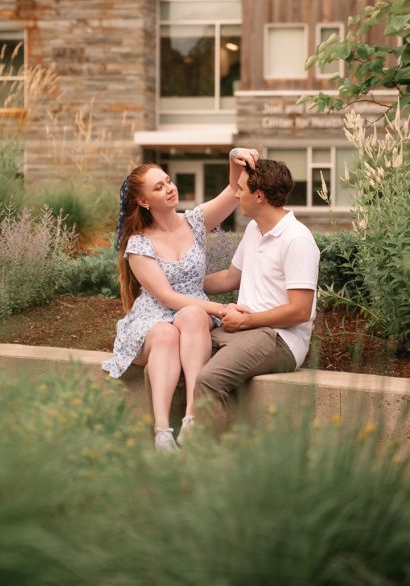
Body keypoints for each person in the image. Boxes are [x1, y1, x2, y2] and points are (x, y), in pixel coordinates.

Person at [102, 148, 259, 451]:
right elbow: (166, 296)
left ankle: (192, 418)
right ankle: (162, 432)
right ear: (143, 201)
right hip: (153, 317)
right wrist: (221, 307)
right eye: (158, 187)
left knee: (192, 316)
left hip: (192, 312)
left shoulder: (195, 221)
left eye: (168, 181)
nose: (169, 188)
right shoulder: (138, 244)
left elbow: (232, 191)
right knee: (165, 334)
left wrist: (233, 157)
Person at [197, 158, 320, 433]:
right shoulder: (254, 229)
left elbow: (300, 311)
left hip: (280, 339)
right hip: (244, 329)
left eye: (241, 189)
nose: (237, 194)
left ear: (259, 196)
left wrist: (246, 321)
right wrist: (179, 287)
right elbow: (230, 278)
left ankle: (206, 464)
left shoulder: (297, 240)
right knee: (181, 352)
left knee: (207, 379)